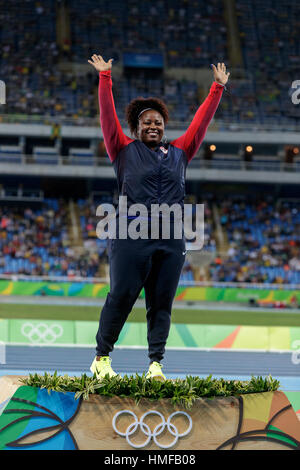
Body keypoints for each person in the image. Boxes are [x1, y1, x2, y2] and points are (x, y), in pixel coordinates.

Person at [88, 54, 230, 381]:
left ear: (164, 127)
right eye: (146, 122)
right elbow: (108, 118)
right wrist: (105, 78)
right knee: (121, 295)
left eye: (158, 122)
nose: (153, 126)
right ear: (136, 128)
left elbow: (200, 124)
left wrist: (217, 89)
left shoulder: (181, 151)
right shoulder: (122, 149)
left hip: (170, 237)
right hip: (129, 235)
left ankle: (155, 364)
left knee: (161, 302)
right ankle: (102, 357)